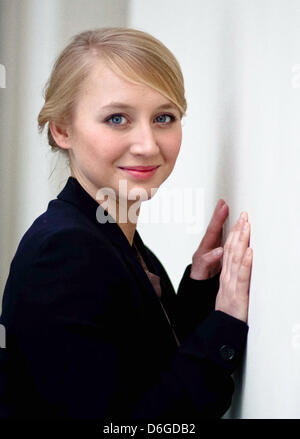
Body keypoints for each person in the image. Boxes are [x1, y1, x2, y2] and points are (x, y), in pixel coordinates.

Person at [0, 27, 252, 420]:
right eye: (117, 118)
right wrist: (226, 326)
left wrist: (200, 293)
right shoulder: (64, 253)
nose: (148, 144)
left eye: (164, 117)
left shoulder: (112, 237)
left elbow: (137, 370)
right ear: (62, 129)